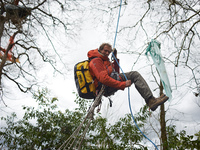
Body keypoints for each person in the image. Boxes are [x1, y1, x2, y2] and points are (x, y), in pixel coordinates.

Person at [88, 43, 169, 111]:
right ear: (100, 49)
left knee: (134, 75)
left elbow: (116, 73)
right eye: (105, 51)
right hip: (104, 87)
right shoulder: (96, 61)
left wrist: (115, 58)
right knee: (134, 75)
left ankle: (151, 100)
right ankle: (151, 101)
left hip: (109, 83)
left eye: (109, 52)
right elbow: (103, 79)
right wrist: (122, 84)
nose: (107, 53)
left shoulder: (105, 61)